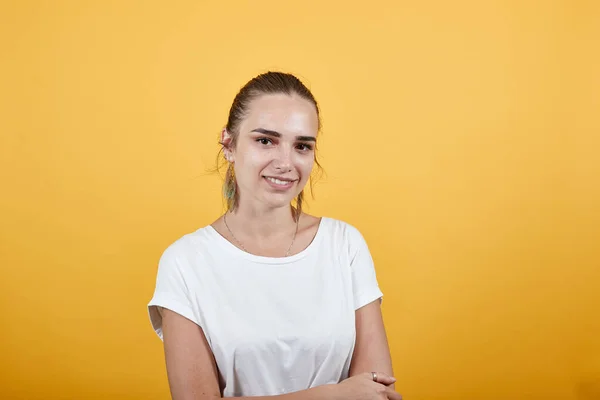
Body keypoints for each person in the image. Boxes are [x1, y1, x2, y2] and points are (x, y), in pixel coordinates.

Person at [147, 71, 401, 400]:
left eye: (302, 146)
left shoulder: (344, 245)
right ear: (228, 144)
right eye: (265, 140)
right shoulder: (185, 262)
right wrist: (332, 395)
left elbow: (377, 394)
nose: (285, 162)